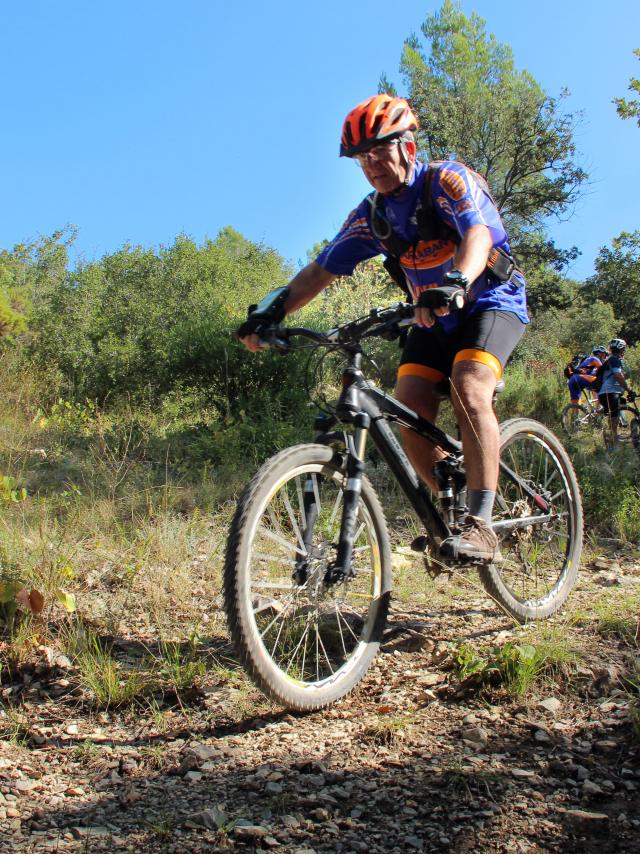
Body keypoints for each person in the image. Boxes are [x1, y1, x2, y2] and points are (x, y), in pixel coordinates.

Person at [238, 94, 528, 563]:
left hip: (490, 301)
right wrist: (272, 311)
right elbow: (320, 270)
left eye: (379, 151)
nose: (370, 164)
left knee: (469, 387)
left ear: (407, 148)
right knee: (408, 406)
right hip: (431, 315)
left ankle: (481, 524)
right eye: (361, 158)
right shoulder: (371, 217)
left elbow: (477, 233)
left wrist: (455, 280)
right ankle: (452, 512)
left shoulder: (447, 181)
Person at [598, 338, 635, 447]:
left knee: (612, 418)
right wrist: (629, 390)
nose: (624, 350)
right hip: (610, 392)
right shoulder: (614, 360)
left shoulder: (610, 360)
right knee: (613, 422)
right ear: (620, 349)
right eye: (624, 348)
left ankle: (611, 443)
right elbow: (618, 376)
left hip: (606, 393)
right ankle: (614, 447)